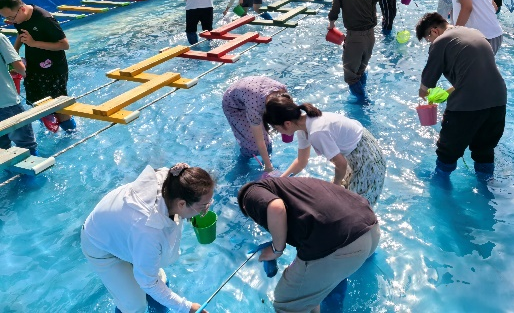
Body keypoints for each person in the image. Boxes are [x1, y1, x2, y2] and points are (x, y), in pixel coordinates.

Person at [81, 162, 212, 313]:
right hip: (101, 246)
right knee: (134, 305)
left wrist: (194, 209)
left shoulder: (173, 182)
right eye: (203, 205)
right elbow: (149, 283)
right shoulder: (149, 232)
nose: (206, 209)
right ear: (182, 204)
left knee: (159, 279)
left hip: (122, 232)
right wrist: (187, 307)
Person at [237, 177, 380, 313]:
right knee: (306, 296)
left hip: (342, 242)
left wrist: (276, 249)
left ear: (245, 207)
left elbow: (276, 208)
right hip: (370, 227)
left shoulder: (250, 193)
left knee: (285, 303)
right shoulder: (289, 187)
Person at [415, 12, 507, 177]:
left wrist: (424, 95)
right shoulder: (474, 33)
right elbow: (475, 74)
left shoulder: (441, 41)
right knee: (484, 150)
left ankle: (440, 183)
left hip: (467, 105)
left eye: (429, 39)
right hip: (498, 100)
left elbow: (427, 83)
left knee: (447, 151)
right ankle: (485, 183)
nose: (430, 43)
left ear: (434, 31)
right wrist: (448, 92)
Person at [264, 96, 386, 204]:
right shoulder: (303, 126)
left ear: (287, 124)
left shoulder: (316, 132)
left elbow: (341, 164)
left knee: (357, 206)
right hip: (356, 151)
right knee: (343, 200)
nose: (278, 132)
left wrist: (335, 186)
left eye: (276, 128)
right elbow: (301, 161)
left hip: (368, 159)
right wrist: (279, 182)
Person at [0, 0, 76, 131]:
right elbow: (21, 34)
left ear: (22, 9)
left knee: (58, 103)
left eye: (11, 17)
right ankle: (50, 126)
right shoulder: (19, 17)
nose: (10, 21)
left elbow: (64, 45)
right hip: (33, 64)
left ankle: (72, 132)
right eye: (6, 18)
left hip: (54, 68)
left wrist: (34, 43)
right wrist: (13, 53)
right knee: (36, 100)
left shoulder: (44, 19)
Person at [328, 0, 378, 101]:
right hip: (370, 37)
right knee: (361, 69)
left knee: (350, 76)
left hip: (355, 38)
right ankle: (362, 93)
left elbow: (334, 12)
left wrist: (331, 25)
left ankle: (362, 102)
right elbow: (373, 16)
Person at [222, 76, 287, 171]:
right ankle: (242, 165)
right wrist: (268, 167)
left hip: (249, 93)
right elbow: (259, 141)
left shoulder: (282, 91)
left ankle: (265, 154)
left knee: (267, 143)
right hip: (233, 105)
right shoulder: (255, 107)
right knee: (252, 147)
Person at [0, 33, 37, 156]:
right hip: (7, 103)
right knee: (27, 145)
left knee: (2, 149)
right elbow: (17, 64)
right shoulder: (0, 38)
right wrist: (27, 75)